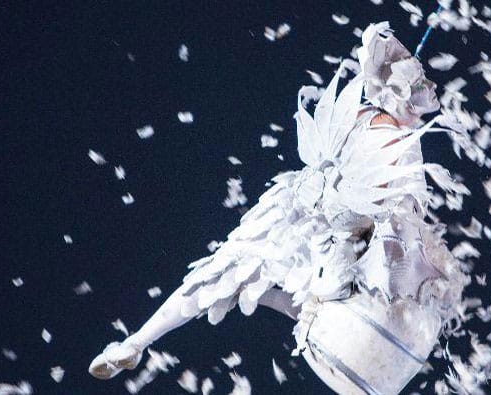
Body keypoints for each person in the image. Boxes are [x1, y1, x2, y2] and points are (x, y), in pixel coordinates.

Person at [89, 22, 466, 385]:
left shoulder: (361, 114)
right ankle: (138, 344)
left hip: (298, 211)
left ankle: (135, 342)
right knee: (291, 291)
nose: (428, 93)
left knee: (224, 274)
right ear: (403, 97)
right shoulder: (404, 143)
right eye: (419, 87)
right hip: (327, 232)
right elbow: (405, 214)